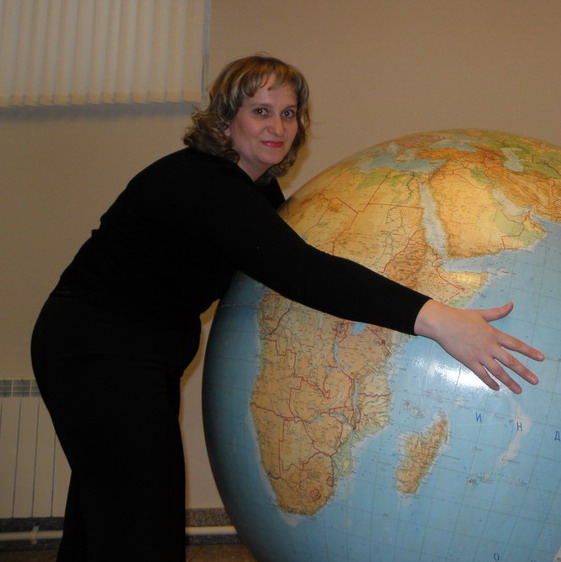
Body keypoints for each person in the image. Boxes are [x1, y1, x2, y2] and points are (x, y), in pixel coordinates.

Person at [31, 55, 544, 562]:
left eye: (288, 113)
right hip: (98, 352)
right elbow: (303, 272)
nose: (277, 127)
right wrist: (440, 319)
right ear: (225, 120)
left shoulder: (253, 190)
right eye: (261, 111)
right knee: (141, 530)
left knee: (105, 519)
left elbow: (304, 262)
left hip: (125, 354)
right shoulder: (203, 182)